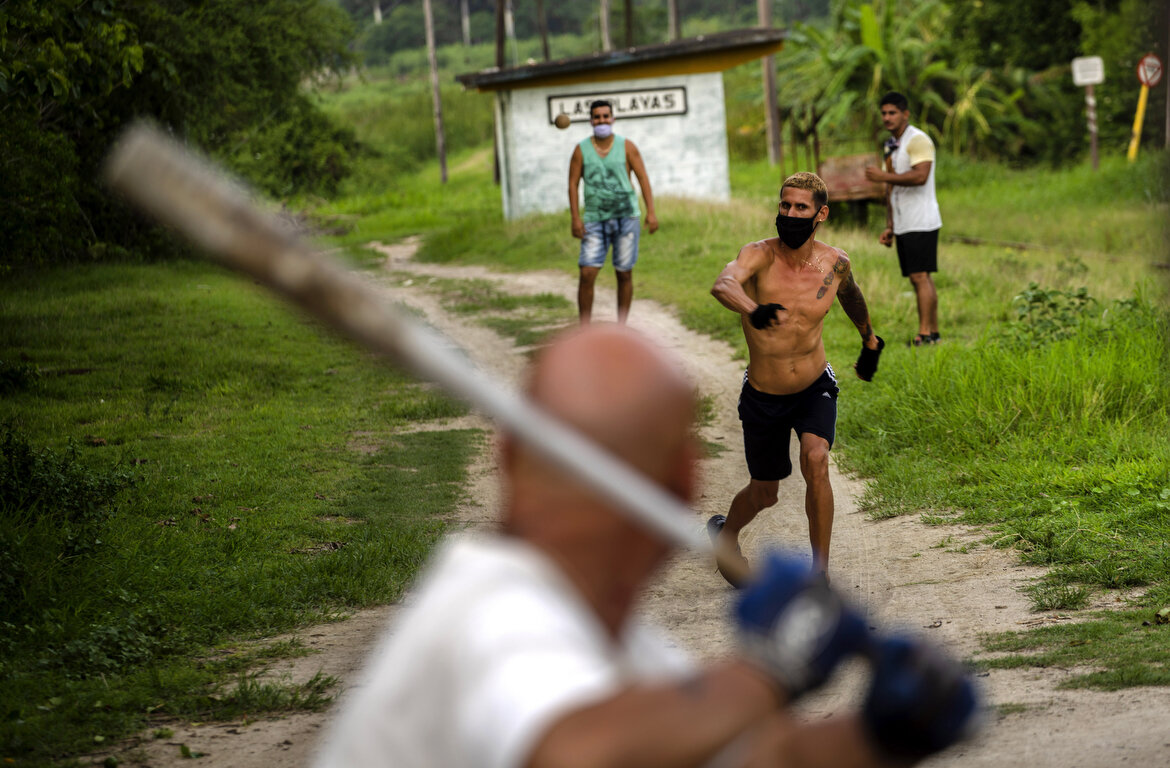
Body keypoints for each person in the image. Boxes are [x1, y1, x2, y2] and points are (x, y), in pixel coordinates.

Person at [313, 324, 976, 768]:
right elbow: (572, 755)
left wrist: (876, 737)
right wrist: (767, 671)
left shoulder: (626, 660)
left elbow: (746, 756)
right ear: (685, 480)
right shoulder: (495, 615)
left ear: (506, 455)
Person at [708, 172, 884, 585]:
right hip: (764, 394)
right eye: (784, 206)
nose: (789, 214)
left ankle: (818, 576)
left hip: (813, 386)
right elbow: (723, 283)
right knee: (764, 492)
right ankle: (725, 535)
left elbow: (851, 295)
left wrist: (869, 339)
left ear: (820, 213)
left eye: (800, 208)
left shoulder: (835, 262)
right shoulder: (757, 255)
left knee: (817, 459)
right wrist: (752, 309)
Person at [568, 100, 658, 324]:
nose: (602, 121)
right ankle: (585, 329)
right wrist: (575, 218)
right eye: (597, 117)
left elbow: (642, 178)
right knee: (587, 273)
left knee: (624, 273)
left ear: (613, 118)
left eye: (605, 116)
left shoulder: (627, 146)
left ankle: (621, 327)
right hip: (594, 220)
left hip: (626, 217)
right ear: (591, 121)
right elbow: (572, 184)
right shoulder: (581, 150)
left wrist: (651, 212)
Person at [865, 91, 943, 347]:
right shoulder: (891, 144)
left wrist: (883, 176)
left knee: (921, 276)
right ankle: (931, 332)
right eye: (884, 113)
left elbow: (920, 176)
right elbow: (892, 189)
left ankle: (925, 334)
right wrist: (891, 225)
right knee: (918, 277)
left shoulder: (918, 140)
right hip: (904, 221)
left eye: (892, 113)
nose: (887, 118)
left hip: (921, 218)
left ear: (905, 114)